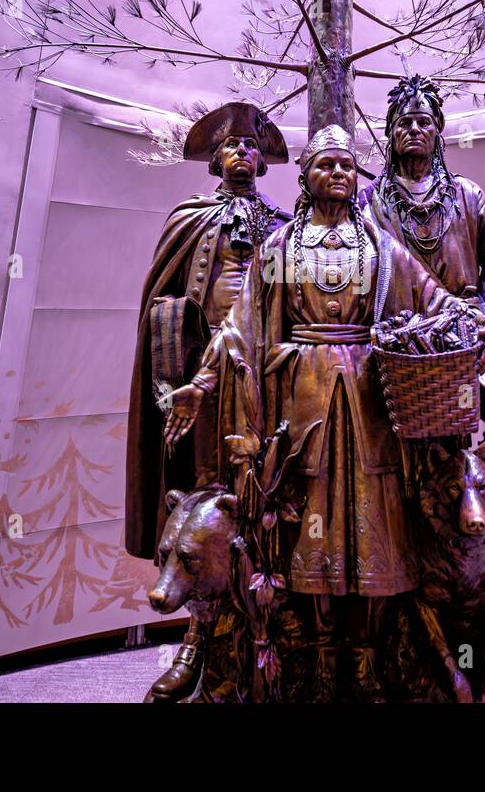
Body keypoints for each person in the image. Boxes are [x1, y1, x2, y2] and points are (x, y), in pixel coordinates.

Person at [164, 124, 485, 700]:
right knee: (310, 528)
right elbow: (240, 327)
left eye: (347, 164)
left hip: (371, 406)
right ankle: (321, 659)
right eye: (326, 164)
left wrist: (482, 320)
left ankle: (365, 658)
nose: (339, 173)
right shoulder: (282, 248)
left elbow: (434, 297)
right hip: (304, 406)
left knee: (375, 526)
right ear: (305, 176)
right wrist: (201, 382)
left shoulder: (381, 248)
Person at [359, 74, 485, 628]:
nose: (414, 131)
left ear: (438, 131)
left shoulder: (466, 195)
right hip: (407, 347)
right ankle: (401, 574)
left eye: (424, 122)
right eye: (403, 124)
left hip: (471, 339)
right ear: (390, 134)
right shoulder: (371, 203)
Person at [124, 102, 290, 700]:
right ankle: (200, 639)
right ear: (215, 160)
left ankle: (271, 632)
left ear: (263, 162)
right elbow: (162, 299)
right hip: (202, 378)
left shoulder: (285, 225)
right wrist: (178, 371)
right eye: (231, 146)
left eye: (252, 146)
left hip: (264, 377)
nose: (242, 152)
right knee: (201, 496)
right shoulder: (188, 218)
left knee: (266, 496)